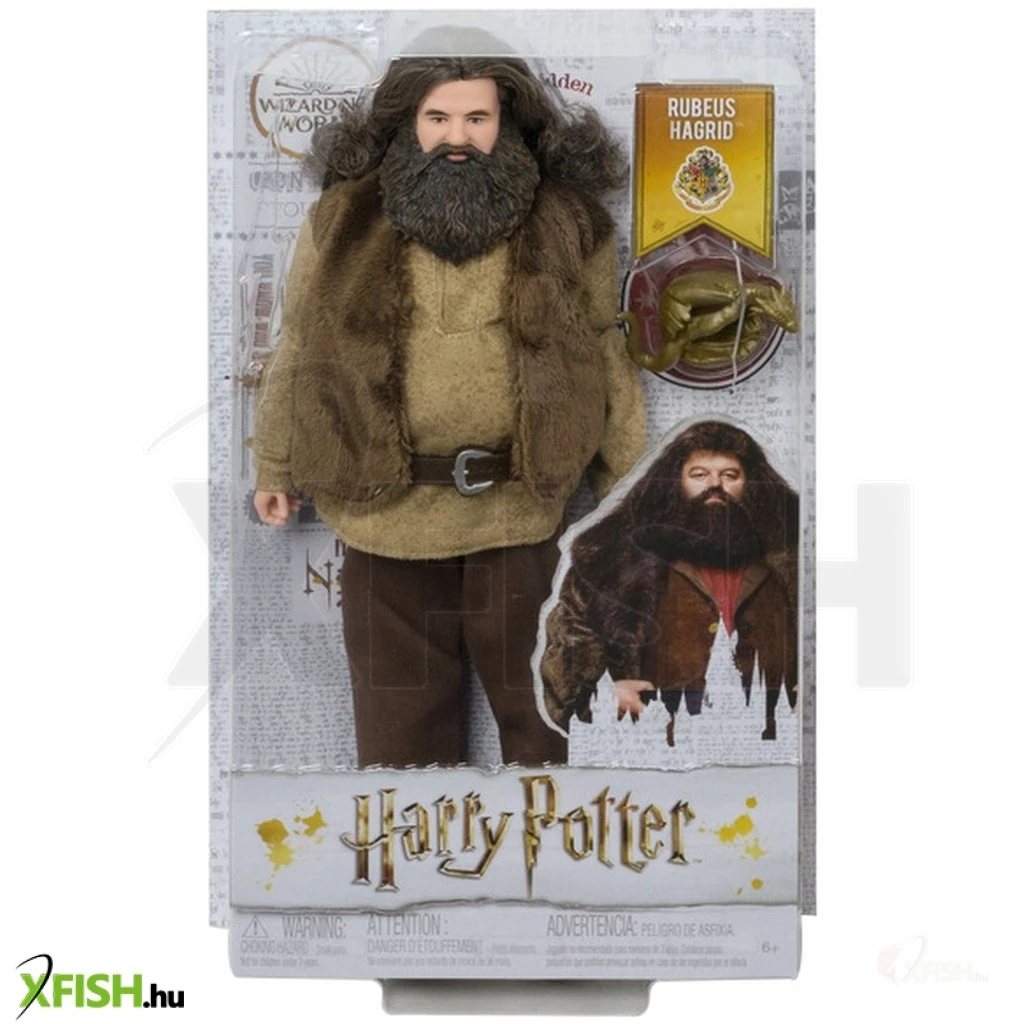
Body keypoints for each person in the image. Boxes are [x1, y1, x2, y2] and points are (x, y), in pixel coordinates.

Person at [251, 57, 646, 768]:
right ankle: (411, 842)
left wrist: (629, 487)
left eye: (476, 117)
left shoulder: (568, 221)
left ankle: (550, 834)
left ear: (507, 121)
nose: (456, 136)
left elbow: (603, 348)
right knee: (398, 744)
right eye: (437, 117)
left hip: (521, 517)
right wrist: (275, 464)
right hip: (384, 519)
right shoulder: (343, 220)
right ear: (406, 124)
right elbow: (302, 342)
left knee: (550, 727)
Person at [539, 420, 798, 743]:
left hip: (770, 750)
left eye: (730, 475)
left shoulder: (798, 559)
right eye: (699, 475)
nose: (715, 485)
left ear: (751, 485)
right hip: (655, 749)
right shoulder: (610, 565)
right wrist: (602, 696)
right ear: (675, 483)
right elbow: (566, 664)